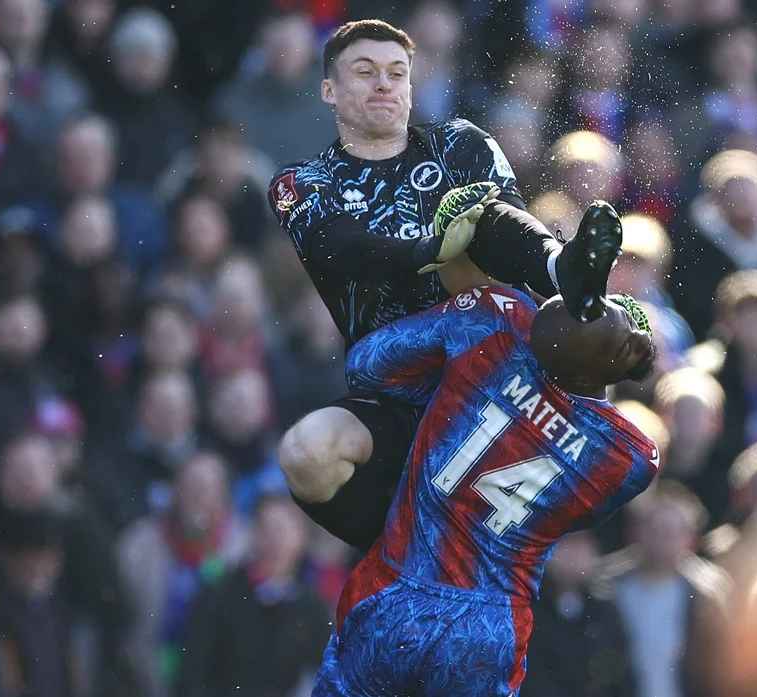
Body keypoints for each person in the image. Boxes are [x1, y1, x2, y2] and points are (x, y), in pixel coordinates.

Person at [273, 20, 621, 551]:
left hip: (499, 383)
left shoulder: (458, 143)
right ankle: (408, 550)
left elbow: (505, 229)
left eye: (397, 73)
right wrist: (427, 250)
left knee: (482, 218)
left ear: (413, 87)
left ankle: (565, 271)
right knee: (305, 453)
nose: (383, 84)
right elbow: (340, 248)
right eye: (364, 73)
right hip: (397, 391)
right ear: (329, 90)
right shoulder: (302, 183)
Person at [312, 203, 660, 696]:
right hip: (487, 619)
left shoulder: (496, 325)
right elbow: (574, 507)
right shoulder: (627, 454)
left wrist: (452, 387)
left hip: (396, 585)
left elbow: (367, 366)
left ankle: (557, 264)